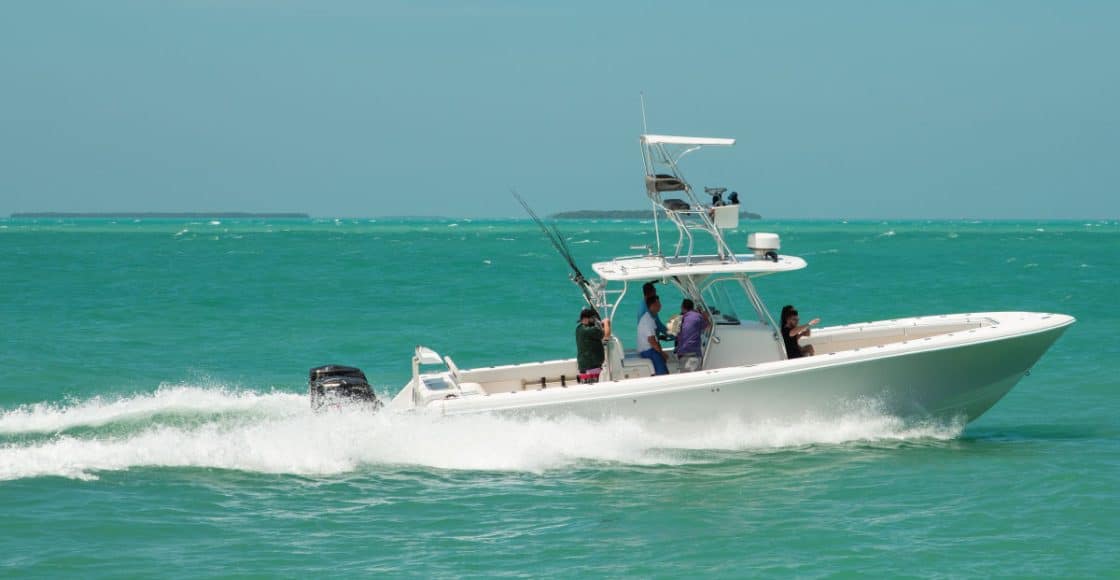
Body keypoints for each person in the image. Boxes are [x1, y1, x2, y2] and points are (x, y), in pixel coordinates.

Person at [575, 308, 611, 383]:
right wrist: (606, 322)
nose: (593, 320)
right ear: (585, 319)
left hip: (583, 366)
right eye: (592, 318)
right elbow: (606, 335)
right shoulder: (590, 330)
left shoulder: (579, 328)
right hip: (592, 367)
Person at [674, 299, 710, 372]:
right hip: (694, 352)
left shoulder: (678, 319)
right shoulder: (698, 316)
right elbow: (708, 325)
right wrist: (705, 316)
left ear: (682, 308)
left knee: (685, 376)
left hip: (681, 353)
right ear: (692, 307)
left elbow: (675, 333)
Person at [637, 295, 670, 375]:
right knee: (664, 373)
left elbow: (654, 338)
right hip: (648, 351)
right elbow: (651, 340)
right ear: (652, 306)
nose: (660, 306)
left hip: (650, 349)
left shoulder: (650, 318)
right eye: (658, 304)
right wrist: (662, 353)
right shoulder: (647, 320)